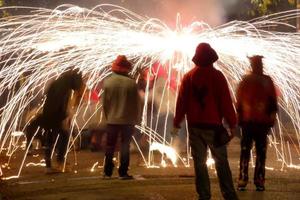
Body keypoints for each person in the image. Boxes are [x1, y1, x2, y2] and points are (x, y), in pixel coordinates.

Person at [172, 43, 239, 200]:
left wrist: (177, 122)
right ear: (212, 59)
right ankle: (229, 194)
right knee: (221, 161)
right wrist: (232, 123)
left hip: (194, 126)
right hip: (213, 126)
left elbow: (181, 103)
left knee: (199, 163)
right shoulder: (218, 76)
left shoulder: (188, 77)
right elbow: (226, 103)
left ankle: (204, 194)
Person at [236, 55, 278, 191]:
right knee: (260, 152)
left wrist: (239, 119)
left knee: (245, 151)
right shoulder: (267, 81)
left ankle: (243, 179)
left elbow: (239, 102)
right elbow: (273, 103)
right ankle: (259, 180)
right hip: (261, 123)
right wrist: (271, 119)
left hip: (249, 122)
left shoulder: (245, 80)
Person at [102, 55, 141, 180]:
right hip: (128, 120)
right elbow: (136, 104)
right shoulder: (131, 83)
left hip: (112, 119)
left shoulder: (107, 82)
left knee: (110, 146)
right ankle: (123, 173)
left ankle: (107, 172)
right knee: (125, 146)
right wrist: (136, 119)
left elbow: (105, 104)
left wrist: (108, 116)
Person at [41, 68, 84, 174]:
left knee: (50, 139)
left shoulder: (59, 82)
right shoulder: (65, 86)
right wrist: (63, 118)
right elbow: (60, 103)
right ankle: (60, 162)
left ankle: (49, 166)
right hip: (55, 116)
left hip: (48, 115)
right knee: (64, 136)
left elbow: (48, 97)